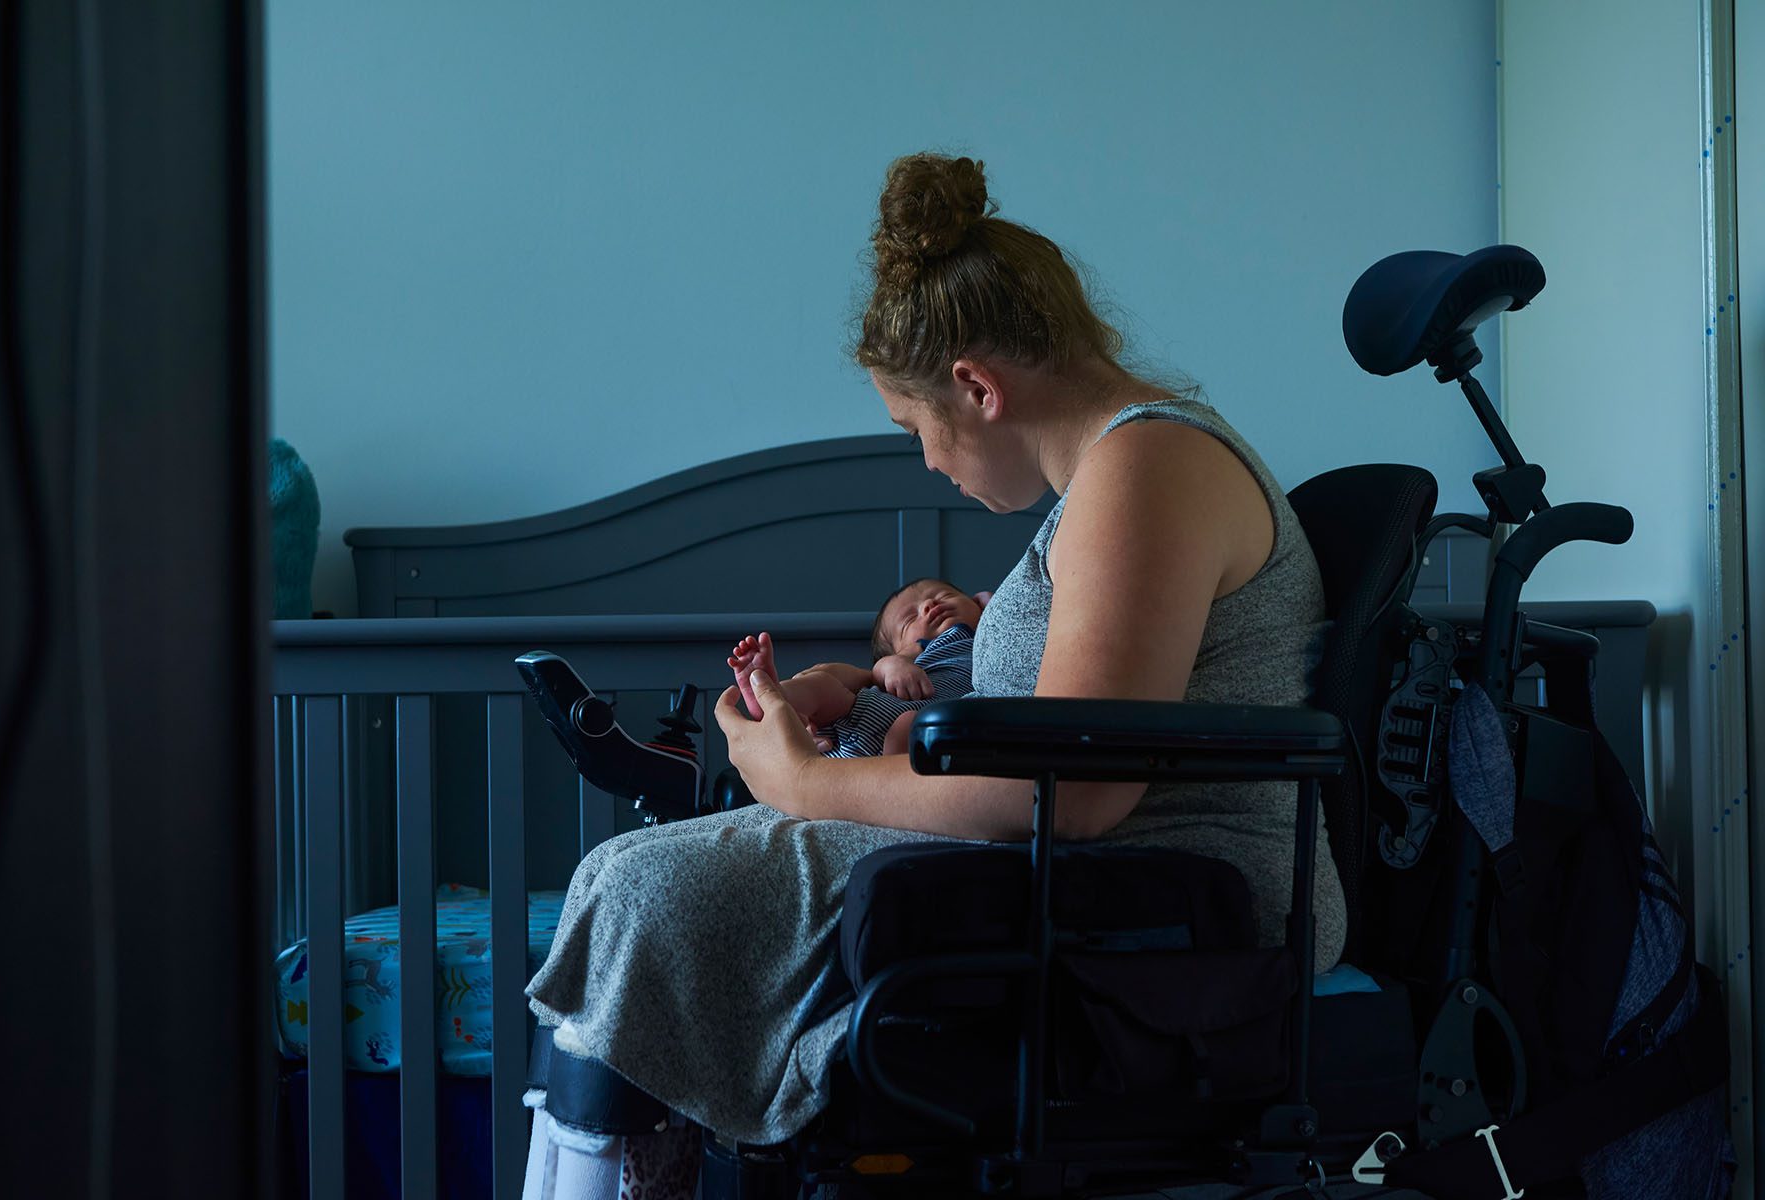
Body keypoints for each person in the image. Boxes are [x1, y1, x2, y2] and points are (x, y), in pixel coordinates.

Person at [521, 152, 1343, 1199]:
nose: (928, 463)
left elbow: (1081, 789)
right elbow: (1050, 744)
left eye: (916, 431)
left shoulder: (1149, 471)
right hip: (1085, 864)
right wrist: (852, 697)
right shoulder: (1119, 478)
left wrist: (804, 782)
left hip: (1171, 888)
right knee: (628, 876)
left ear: (976, 388)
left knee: (651, 887)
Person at [728, 578, 991, 759]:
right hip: (873, 715)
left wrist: (988, 605)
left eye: (943, 595)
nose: (929, 606)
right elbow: (874, 675)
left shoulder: (986, 636)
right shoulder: (916, 653)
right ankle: (774, 697)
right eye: (910, 619)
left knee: (909, 726)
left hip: (915, 737)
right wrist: (890, 664)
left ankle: (893, 783)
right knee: (823, 684)